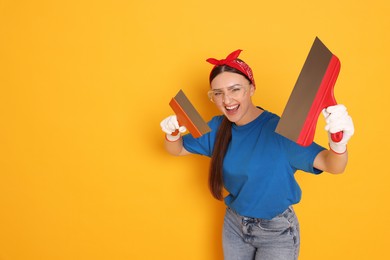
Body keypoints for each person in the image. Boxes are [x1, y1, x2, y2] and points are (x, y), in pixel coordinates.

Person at [160, 49, 354, 260]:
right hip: (234, 224)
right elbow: (177, 149)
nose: (227, 100)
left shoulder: (280, 131)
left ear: (252, 88)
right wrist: (172, 133)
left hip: (276, 232)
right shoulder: (217, 128)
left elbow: (333, 165)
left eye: (235, 89)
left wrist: (339, 143)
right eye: (218, 93)